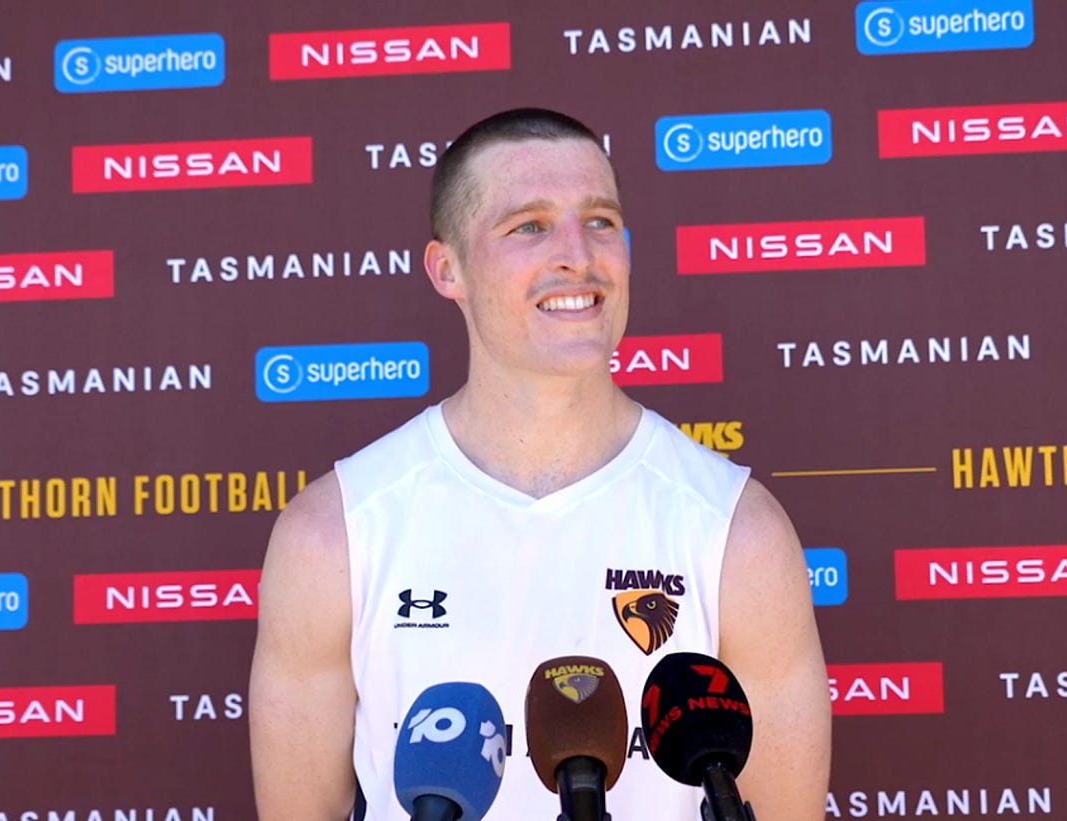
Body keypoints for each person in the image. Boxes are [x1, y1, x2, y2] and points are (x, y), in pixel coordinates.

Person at [249, 108, 831, 820]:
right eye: (529, 226)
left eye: (600, 221)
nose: (578, 256)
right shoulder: (333, 534)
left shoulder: (737, 530)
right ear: (448, 269)